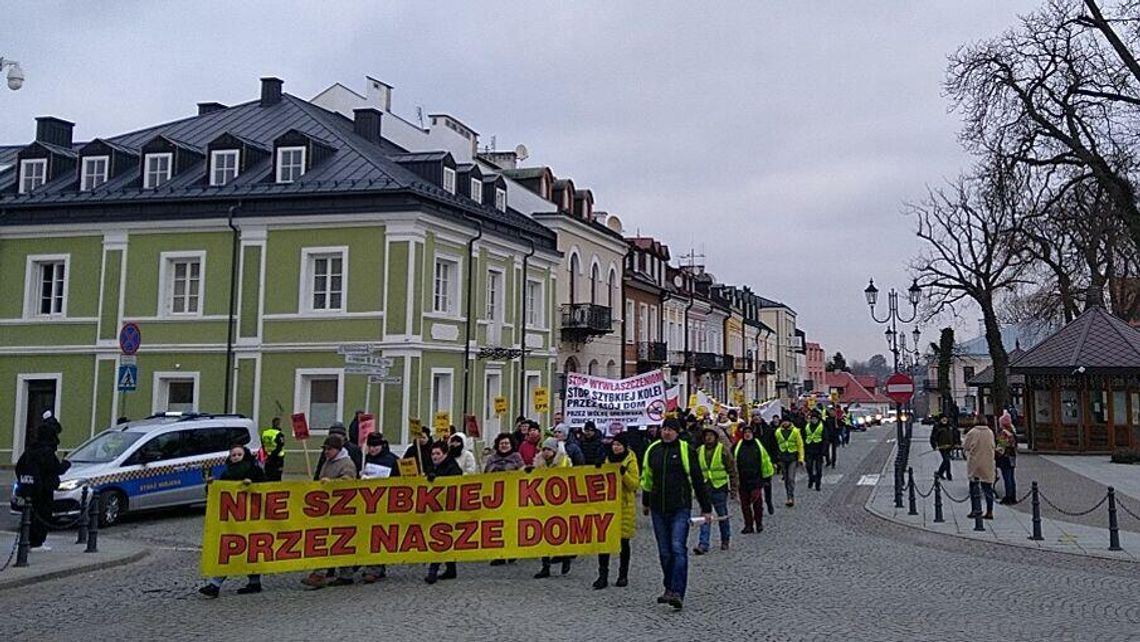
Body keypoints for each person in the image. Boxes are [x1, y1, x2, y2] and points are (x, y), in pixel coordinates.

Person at [641, 417, 713, 611]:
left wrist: (706, 508)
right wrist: (645, 502)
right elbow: (647, 478)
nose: (666, 432)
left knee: (677, 547)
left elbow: (697, 479)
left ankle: (678, 592)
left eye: (670, 429)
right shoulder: (653, 450)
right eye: (664, 429)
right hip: (658, 508)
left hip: (680, 506)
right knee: (664, 552)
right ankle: (669, 587)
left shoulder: (685, 450)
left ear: (677, 432)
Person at [199, 444, 266, 597]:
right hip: (232, 520)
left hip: (251, 518)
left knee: (251, 550)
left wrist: (252, 484)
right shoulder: (226, 472)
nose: (235, 457)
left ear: (245, 455)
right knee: (229, 549)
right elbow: (218, 494)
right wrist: (210, 485)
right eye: (233, 455)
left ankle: (253, 582)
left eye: (239, 454)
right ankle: (215, 585)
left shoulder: (254, 470)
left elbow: (265, 488)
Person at [302, 435, 360, 588]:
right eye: (325, 449)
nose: (326, 452)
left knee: (342, 542)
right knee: (325, 541)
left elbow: (349, 482)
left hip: (342, 509)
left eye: (329, 449)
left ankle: (344, 574)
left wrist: (332, 483)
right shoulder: (328, 462)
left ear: (338, 450)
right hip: (327, 508)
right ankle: (320, 573)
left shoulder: (346, 464)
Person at [14, 412, 71, 550]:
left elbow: (19, 466)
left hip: (30, 488)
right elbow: (56, 469)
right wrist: (66, 464)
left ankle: (28, 540)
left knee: (30, 516)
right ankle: (37, 542)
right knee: (43, 516)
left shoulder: (31, 449)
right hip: (44, 490)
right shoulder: (46, 451)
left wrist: (24, 480)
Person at [594, 436, 638, 590]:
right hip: (608, 506)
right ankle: (603, 575)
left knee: (623, 543)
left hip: (624, 506)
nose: (616, 447)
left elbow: (634, 485)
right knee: (604, 542)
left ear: (625, 446)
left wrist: (623, 473)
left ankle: (623, 575)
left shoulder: (631, 461)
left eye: (619, 444)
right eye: (614, 444)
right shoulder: (607, 460)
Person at [693, 427, 738, 554]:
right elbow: (694, 471)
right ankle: (703, 544)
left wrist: (734, 489)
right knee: (704, 516)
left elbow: (732, 470)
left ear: (716, 437)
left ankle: (725, 539)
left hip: (719, 487)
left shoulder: (723, 450)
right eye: (706, 435)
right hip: (704, 489)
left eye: (711, 435)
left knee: (722, 515)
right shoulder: (698, 451)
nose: (708, 438)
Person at [533, 437, 573, 578]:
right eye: (544, 449)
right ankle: (545, 565)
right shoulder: (538, 463)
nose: (546, 452)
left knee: (561, 532)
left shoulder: (564, 461)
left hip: (561, 502)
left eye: (549, 449)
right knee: (544, 534)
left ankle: (566, 556)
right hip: (543, 502)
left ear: (555, 451)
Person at [424, 441, 463, 584]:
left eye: (438, 454)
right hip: (435, 507)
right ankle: (451, 569)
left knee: (440, 538)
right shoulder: (430, 465)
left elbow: (455, 484)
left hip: (448, 508)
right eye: (433, 453)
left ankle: (433, 570)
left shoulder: (452, 467)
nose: (434, 456)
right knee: (444, 538)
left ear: (445, 454)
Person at [734, 423, 774, 533]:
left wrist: (766, 478)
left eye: (749, 432)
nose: (747, 435)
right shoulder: (737, 446)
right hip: (742, 479)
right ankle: (748, 525)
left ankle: (759, 523)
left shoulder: (758, 446)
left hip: (756, 479)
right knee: (745, 505)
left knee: (757, 503)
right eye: (745, 432)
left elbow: (765, 461)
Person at [962, 419, 996, 520]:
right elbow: (993, 445)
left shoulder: (972, 432)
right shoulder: (990, 432)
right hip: (987, 462)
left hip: (975, 462)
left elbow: (965, 446)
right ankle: (989, 511)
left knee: (974, 487)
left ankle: (975, 510)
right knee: (988, 488)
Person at [774, 416, 804, 507]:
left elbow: (800, 445)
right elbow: (775, 445)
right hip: (782, 457)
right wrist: (776, 459)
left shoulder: (795, 431)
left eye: (787, 421)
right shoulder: (778, 432)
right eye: (784, 421)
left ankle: (791, 497)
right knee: (786, 478)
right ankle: (788, 496)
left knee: (791, 478)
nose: (785, 423)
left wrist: (801, 458)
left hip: (792, 457)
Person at [995, 412, 1018, 505]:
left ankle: (1008, 497)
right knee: (1011, 477)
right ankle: (1013, 496)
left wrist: (995, 454)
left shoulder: (1004, 433)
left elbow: (1001, 447)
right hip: (1012, 456)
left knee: (1007, 477)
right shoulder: (1012, 431)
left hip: (1005, 457)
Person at [801, 410, 826, 491]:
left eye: (815, 419)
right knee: (809, 467)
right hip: (809, 450)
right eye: (812, 419)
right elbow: (803, 438)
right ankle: (811, 478)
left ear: (818, 419)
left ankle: (818, 484)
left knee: (819, 469)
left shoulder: (822, 427)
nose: (814, 420)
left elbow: (825, 439)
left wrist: (824, 451)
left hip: (819, 450)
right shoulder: (806, 426)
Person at [259, 417, 286, 482]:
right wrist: (272, 455)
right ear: (278, 424)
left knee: (268, 475)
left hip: (267, 458)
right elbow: (280, 447)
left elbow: (262, 444)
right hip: (277, 459)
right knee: (277, 478)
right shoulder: (279, 434)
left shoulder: (265, 433)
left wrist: (267, 454)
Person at [930, 415, 956, 481]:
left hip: (949, 446)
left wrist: (955, 443)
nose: (944, 420)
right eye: (943, 419)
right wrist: (934, 445)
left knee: (947, 460)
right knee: (946, 459)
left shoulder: (950, 426)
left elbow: (954, 435)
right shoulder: (937, 427)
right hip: (941, 446)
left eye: (945, 419)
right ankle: (946, 474)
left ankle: (942, 473)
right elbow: (933, 437)